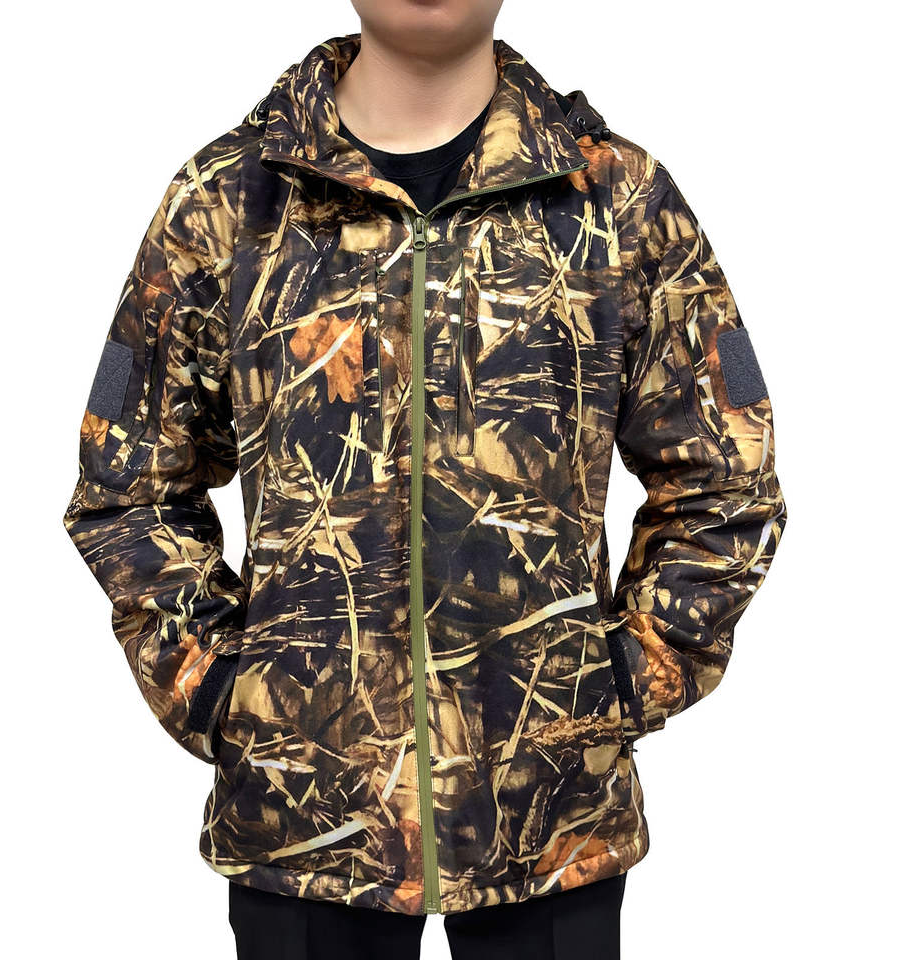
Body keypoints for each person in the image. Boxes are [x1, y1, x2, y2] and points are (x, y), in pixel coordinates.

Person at [62, 2, 787, 957]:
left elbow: (728, 476)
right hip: (302, 820)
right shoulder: (228, 202)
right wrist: (218, 690)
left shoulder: (617, 200)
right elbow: (126, 483)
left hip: (553, 815)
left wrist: (620, 678)